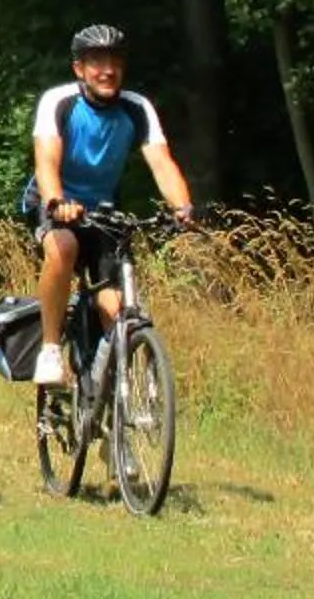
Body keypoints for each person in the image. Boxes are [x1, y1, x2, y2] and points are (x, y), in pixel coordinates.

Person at [29, 24, 196, 387]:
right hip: (56, 201)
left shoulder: (137, 108)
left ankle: (113, 396)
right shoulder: (59, 101)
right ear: (79, 69)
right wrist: (57, 201)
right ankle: (51, 349)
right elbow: (46, 160)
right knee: (64, 247)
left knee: (115, 307)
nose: (107, 70)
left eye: (115, 61)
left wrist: (182, 206)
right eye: (97, 62)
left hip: (104, 212)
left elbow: (161, 162)